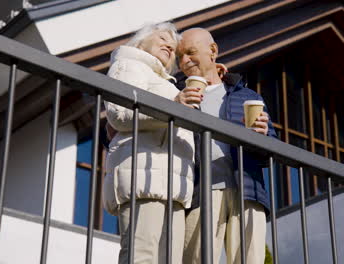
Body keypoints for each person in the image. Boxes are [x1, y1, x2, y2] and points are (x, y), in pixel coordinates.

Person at [174, 28, 277, 264]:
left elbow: (269, 152)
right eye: (180, 57)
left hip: (247, 192)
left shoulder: (246, 95)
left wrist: (262, 136)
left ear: (213, 51)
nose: (184, 61)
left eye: (190, 52)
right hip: (200, 192)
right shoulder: (177, 95)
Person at [103, 22, 195, 264]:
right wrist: (174, 108)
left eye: (173, 46)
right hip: (143, 176)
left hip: (171, 184)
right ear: (141, 40)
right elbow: (119, 112)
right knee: (141, 256)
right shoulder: (129, 64)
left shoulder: (166, 83)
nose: (169, 45)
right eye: (163, 37)